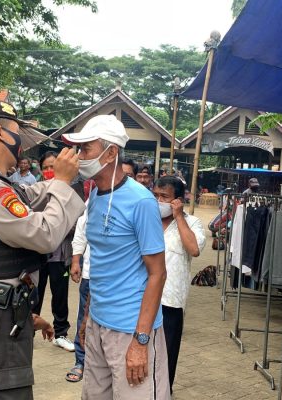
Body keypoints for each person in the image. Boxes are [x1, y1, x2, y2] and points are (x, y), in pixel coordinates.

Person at [0, 101, 85, 399]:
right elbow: (45, 235)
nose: (21, 143)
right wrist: (62, 182)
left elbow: (26, 196)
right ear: (0, 133)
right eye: (17, 132)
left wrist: (57, 181)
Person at [63, 115, 170, 399]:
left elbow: (158, 273)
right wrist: (87, 318)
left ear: (111, 153)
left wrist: (141, 341)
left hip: (131, 329)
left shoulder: (141, 201)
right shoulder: (95, 196)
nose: (79, 156)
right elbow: (99, 262)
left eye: (86, 149)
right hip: (98, 324)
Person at [152, 176, 206, 393]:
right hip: (141, 296)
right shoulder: (147, 219)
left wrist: (179, 216)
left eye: (164, 197)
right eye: (155, 195)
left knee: (167, 353)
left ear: (178, 200)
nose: (158, 200)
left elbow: (194, 249)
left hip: (170, 301)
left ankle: (164, 392)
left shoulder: (192, 223)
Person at [31, 151, 76, 352]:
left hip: (60, 255)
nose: (49, 171)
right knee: (33, 295)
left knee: (60, 295)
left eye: (52, 166)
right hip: (36, 255)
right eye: (46, 167)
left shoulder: (70, 192)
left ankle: (61, 333)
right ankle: (27, 332)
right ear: (41, 170)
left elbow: (77, 225)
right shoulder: (33, 192)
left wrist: (61, 223)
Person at [66, 206, 91, 383]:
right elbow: (81, 230)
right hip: (91, 274)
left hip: (122, 278)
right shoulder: (97, 196)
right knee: (84, 317)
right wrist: (76, 260)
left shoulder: (137, 200)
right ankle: (81, 361)